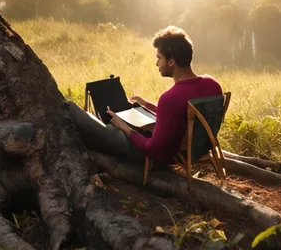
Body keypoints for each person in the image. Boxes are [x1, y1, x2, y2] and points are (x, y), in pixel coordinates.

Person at [67, 26, 222, 165]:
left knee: (103, 126)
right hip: (196, 149)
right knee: (131, 121)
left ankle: (68, 107)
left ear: (171, 62)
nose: (157, 64)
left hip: (167, 156)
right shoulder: (213, 84)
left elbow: (154, 149)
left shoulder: (170, 98)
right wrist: (147, 105)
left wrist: (124, 127)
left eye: (159, 58)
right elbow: (182, 113)